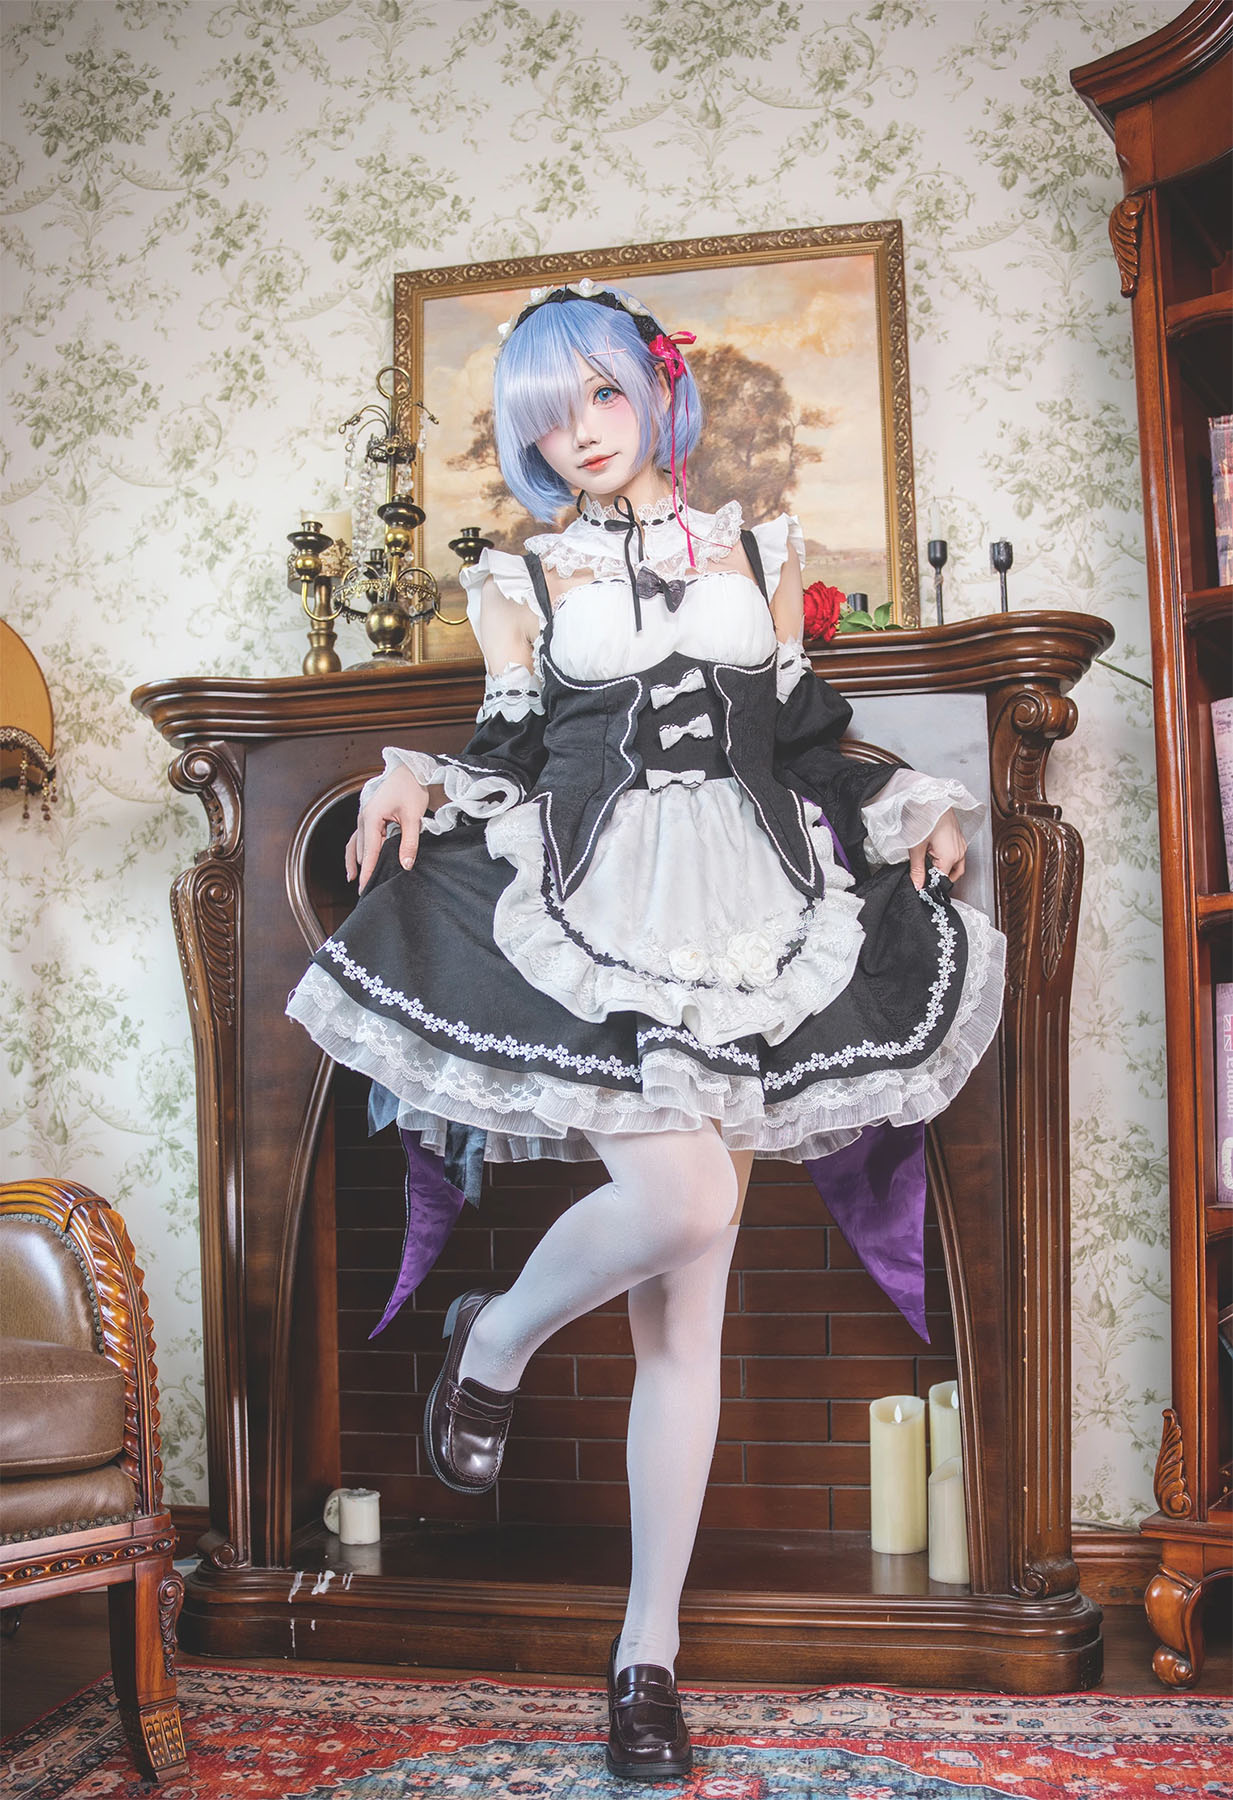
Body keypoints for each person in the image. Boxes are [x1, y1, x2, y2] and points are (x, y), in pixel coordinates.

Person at [286, 281, 1005, 1783]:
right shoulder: (519, 578)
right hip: (597, 912)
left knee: (688, 1314)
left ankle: (644, 1659)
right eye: (548, 418)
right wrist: (415, 776)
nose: (580, 434)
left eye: (601, 396)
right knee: (685, 1203)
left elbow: (802, 739)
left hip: (751, 915)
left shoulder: (761, 550)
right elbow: (507, 744)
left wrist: (914, 806)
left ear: (652, 392)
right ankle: (493, 1338)